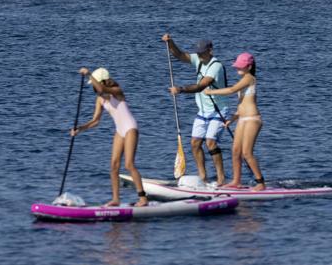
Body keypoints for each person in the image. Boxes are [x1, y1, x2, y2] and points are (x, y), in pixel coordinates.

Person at [71, 67, 148, 207]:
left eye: (94, 83)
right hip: (120, 131)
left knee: (129, 164)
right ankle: (116, 199)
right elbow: (95, 121)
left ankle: (143, 198)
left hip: (131, 128)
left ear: (103, 81)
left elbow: (101, 89)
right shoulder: (99, 99)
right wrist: (79, 129)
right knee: (113, 166)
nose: (93, 87)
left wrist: (89, 74)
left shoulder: (117, 91)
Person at [162, 34, 228, 185]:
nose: (199, 54)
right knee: (195, 143)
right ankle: (203, 177)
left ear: (210, 50)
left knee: (210, 142)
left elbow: (201, 86)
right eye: (197, 52)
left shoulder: (216, 66)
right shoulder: (198, 59)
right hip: (202, 111)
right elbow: (179, 55)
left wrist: (180, 89)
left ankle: (221, 178)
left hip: (218, 111)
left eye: (202, 52)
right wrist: (170, 42)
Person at [204, 52, 265, 191]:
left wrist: (210, 92)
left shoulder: (249, 78)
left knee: (247, 153)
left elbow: (231, 90)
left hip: (252, 120)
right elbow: (242, 105)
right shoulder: (243, 80)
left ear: (249, 67)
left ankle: (260, 183)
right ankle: (236, 181)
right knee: (235, 151)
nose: (237, 68)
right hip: (242, 119)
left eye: (240, 66)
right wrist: (231, 120)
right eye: (237, 65)